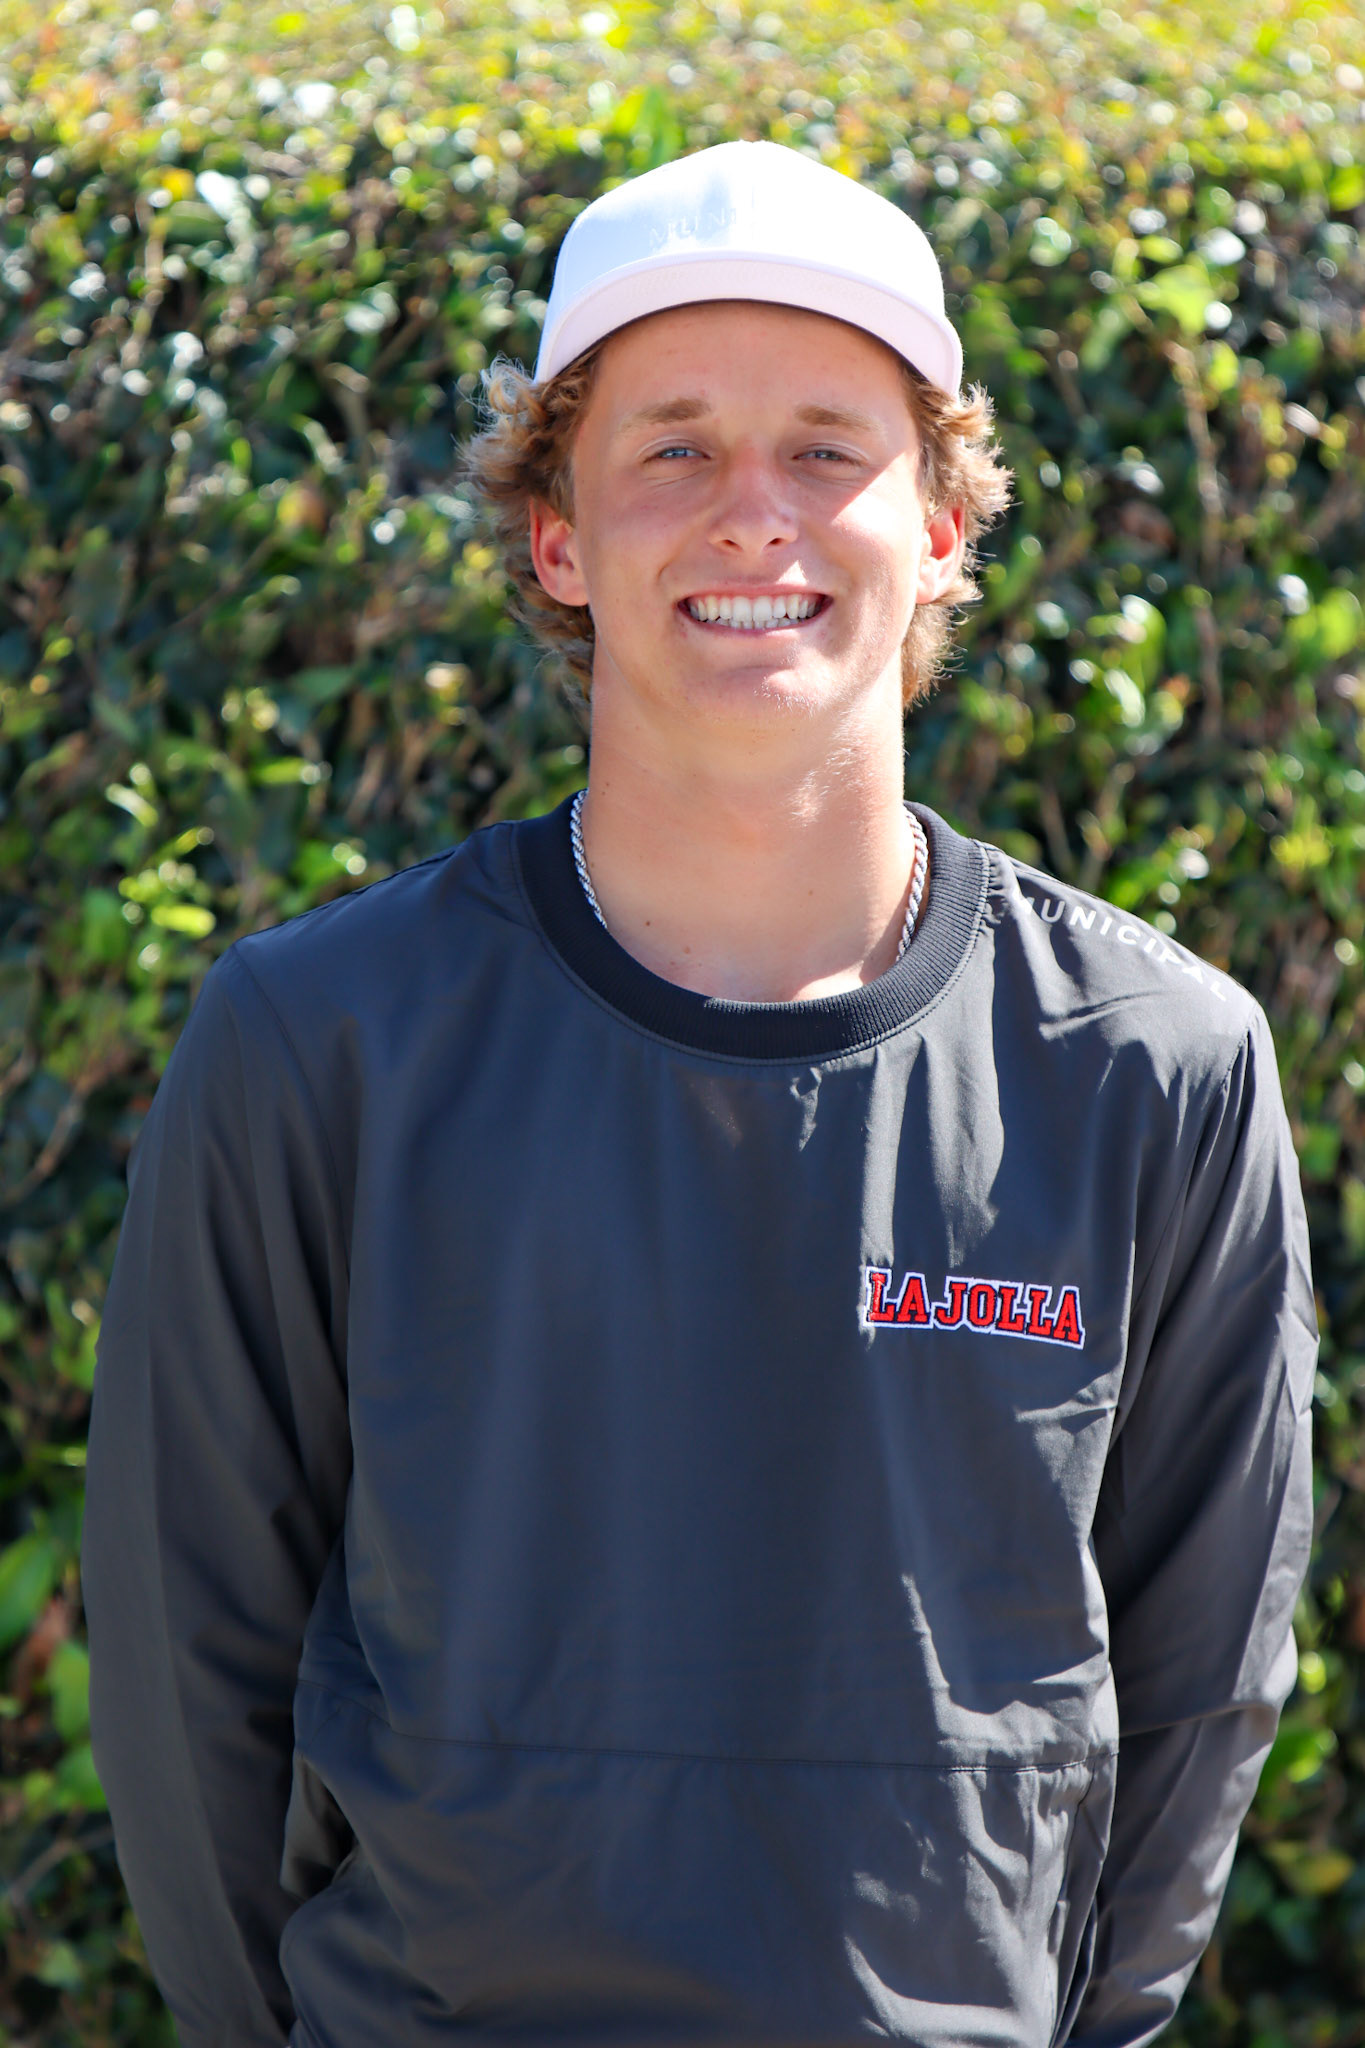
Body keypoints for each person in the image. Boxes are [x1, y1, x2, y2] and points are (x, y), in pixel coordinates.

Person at [83, 139, 1316, 2048]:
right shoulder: (319, 1041)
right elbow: (188, 1666)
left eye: (827, 449)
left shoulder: (1153, 1063)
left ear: (942, 530)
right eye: (672, 448)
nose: (755, 517)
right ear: (557, 540)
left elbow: (1200, 1677)